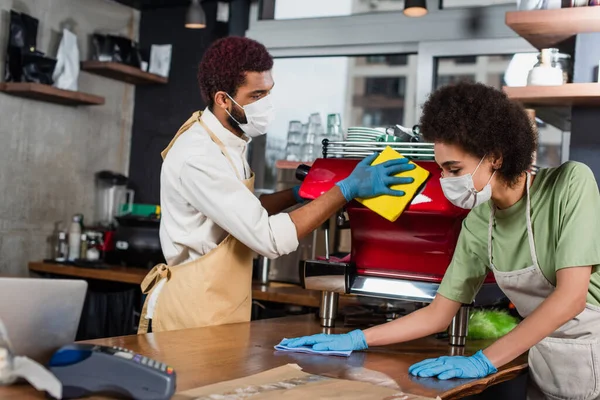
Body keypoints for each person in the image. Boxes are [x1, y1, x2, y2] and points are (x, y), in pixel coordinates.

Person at [281, 82, 600, 400]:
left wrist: (482, 361)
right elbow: (439, 313)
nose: (445, 180)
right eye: (442, 170)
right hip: (547, 362)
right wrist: (355, 339)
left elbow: (571, 298)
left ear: (496, 157)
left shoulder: (569, 184)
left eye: (454, 169)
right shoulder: (479, 221)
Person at [137, 36, 416, 334]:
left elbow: (244, 213)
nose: (266, 104)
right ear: (222, 99)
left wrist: (299, 194)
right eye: (256, 95)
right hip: (191, 314)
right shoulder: (199, 155)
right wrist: (345, 190)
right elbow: (268, 240)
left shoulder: (228, 142)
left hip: (218, 303)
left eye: (269, 92)